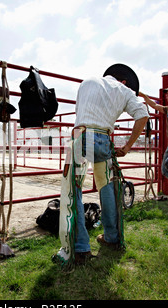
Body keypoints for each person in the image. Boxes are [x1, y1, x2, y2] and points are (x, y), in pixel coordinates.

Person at [56, 64, 149, 266]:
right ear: (124, 82)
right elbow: (143, 115)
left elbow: (79, 113)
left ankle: (80, 248)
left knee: (74, 190)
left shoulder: (87, 82)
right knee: (108, 187)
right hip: (104, 138)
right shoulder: (124, 91)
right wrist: (127, 146)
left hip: (82, 135)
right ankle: (112, 237)